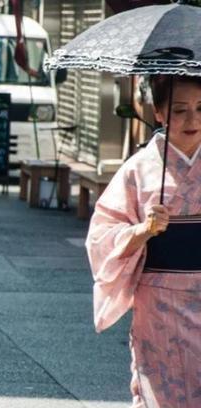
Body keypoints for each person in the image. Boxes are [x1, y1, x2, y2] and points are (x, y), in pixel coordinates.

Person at [86, 75, 201, 407]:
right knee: (160, 394)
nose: (192, 120)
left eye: (200, 108)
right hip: (160, 304)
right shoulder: (138, 170)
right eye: (180, 110)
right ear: (160, 112)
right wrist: (142, 230)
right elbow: (101, 237)